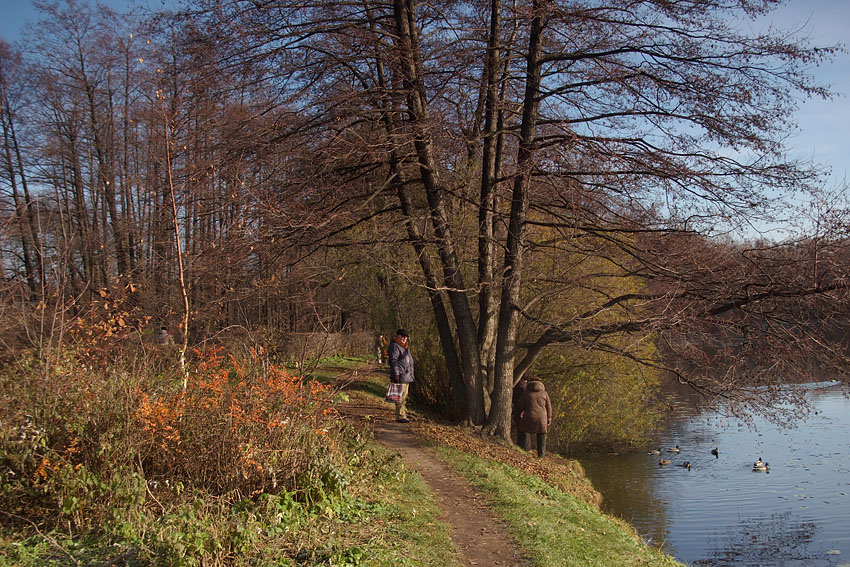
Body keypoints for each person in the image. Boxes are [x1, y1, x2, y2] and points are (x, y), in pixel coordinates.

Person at [516, 376, 552, 458]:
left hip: (529, 416)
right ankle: (541, 455)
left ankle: (523, 451)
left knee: (522, 431)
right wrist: (549, 418)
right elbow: (549, 407)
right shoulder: (544, 393)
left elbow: (520, 405)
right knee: (541, 435)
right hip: (542, 418)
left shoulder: (526, 393)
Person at [387, 328, 414, 423]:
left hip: (406, 376)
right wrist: (396, 373)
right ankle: (400, 416)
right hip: (400, 375)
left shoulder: (404, 347)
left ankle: (402, 414)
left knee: (404, 396)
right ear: (397, 336)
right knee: (399, 397)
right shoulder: (395, 346)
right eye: (402, 337)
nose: (404, 339)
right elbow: (393, 361)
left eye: (406, 337)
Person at [512, 375, 529, 447]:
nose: (523, 382)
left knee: (525, 430)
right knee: (519, 427)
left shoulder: (528, 389)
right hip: (517, 410)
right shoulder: (516, 388)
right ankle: (520, 444)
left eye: (525, 381)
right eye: (522, 380)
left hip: (525, 411)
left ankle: (526, 446)